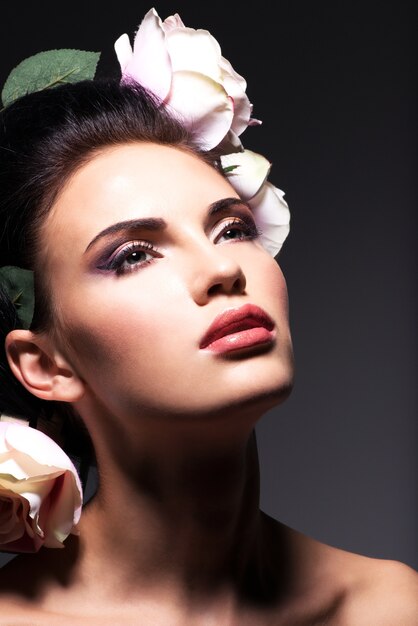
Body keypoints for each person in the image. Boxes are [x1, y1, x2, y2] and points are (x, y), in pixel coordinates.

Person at [0, 7, 417, 625]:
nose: (222, 270)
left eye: (232, 228)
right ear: (45, 364)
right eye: (134, 255)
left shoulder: (392, 606)